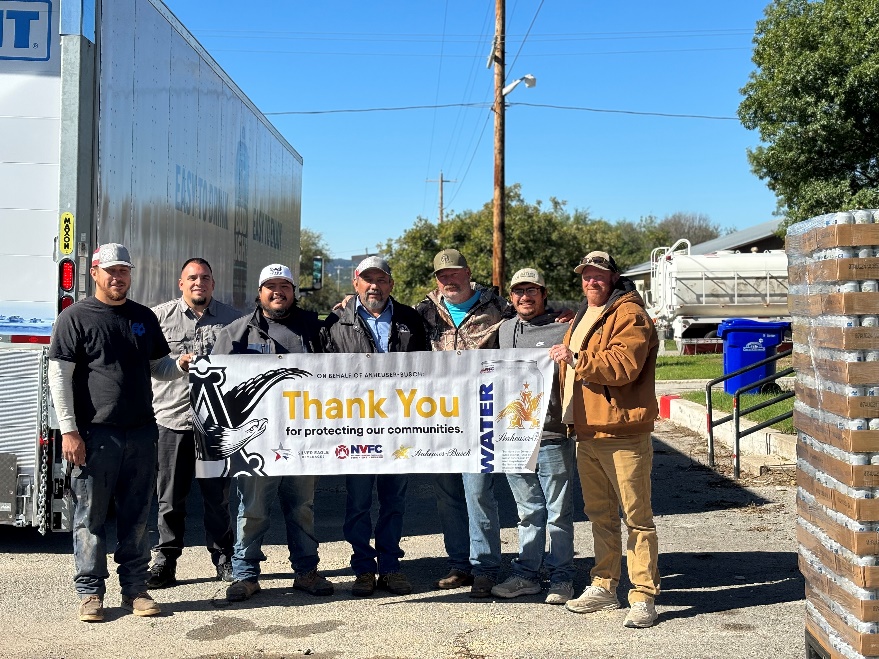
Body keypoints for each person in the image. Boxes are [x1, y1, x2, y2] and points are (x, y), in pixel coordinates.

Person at [47, 243, 192, 622]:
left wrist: (181, 365)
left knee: (137, 517)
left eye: (124, 271)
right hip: (94, 436)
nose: (118, 277)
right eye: (111, 270)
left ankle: (135, 590)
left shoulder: (142, 317)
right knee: (89, 518)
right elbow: (59, 377)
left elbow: (158, 367)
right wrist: (69, 431)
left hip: (142, 433)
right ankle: (90, 593)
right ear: (94, 272)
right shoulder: (74, 317)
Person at [549, 250, 661, 628]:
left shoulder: (630, 314)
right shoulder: (585, 313)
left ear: (613, 277)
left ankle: (643, 596)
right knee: (600, 516)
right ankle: (604, 585)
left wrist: (576, 358)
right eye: (586, 275)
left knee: (637, 519)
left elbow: (623, 365)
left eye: (599, 274)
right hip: (587, 431)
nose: (591, 280)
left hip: (622, 432)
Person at [212, 263, 333, 602]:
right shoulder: (236, 333)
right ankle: (245, 575)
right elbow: (216, 389)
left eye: (285, 286)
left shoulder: (316, 328)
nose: (278, 292)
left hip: (304, 437)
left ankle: (306, 571)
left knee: (302, 508)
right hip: (256, 442)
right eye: (271, 286)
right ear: (260, 292)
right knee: (252, 510)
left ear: (294, 291)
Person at [321, 256, 427, 597]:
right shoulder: (336, 321)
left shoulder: (411, 318)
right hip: (356, 428)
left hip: (401, 426)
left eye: (381, 280)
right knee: (358, 503)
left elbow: (430, 369)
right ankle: (364, 568)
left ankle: (391, 567)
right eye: (367, 280)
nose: (374, 286)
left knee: (394, 501)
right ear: (355, 283)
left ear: (391, 284)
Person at [414, 249, 510, 597]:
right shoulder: (423, 312)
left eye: (454, 273)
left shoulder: (498, 307)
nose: (449, 280)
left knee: (478, 492)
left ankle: (485, 567)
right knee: (448, 495)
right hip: (439, 418)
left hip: (481, 414)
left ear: (468, 272)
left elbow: (532, 321)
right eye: (442, 275)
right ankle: (460, 564)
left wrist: (562, 316)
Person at [146, 258, 243, 589]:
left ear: (213, 283)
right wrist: (177, 363)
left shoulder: (234, 321)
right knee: (170, 497)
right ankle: (165, 560)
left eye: (204, 278)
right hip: (172, 420)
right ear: (181, 283)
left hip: (215, 425)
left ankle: (224, 557)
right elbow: (150, 364)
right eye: (192, 278)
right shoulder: (159, 318)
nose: (198, 282)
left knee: (217, 498)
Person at [491, 268, 575, 605]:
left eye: (532, 291)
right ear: (511, 297)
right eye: (519, 291)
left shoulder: (565, 327)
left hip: (552, 433)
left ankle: (562, 577)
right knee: (528, 511)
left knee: (558, 513)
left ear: (544, 293)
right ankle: (526, 574)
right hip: (514, 438)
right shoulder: (505, 329)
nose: (525, 297)